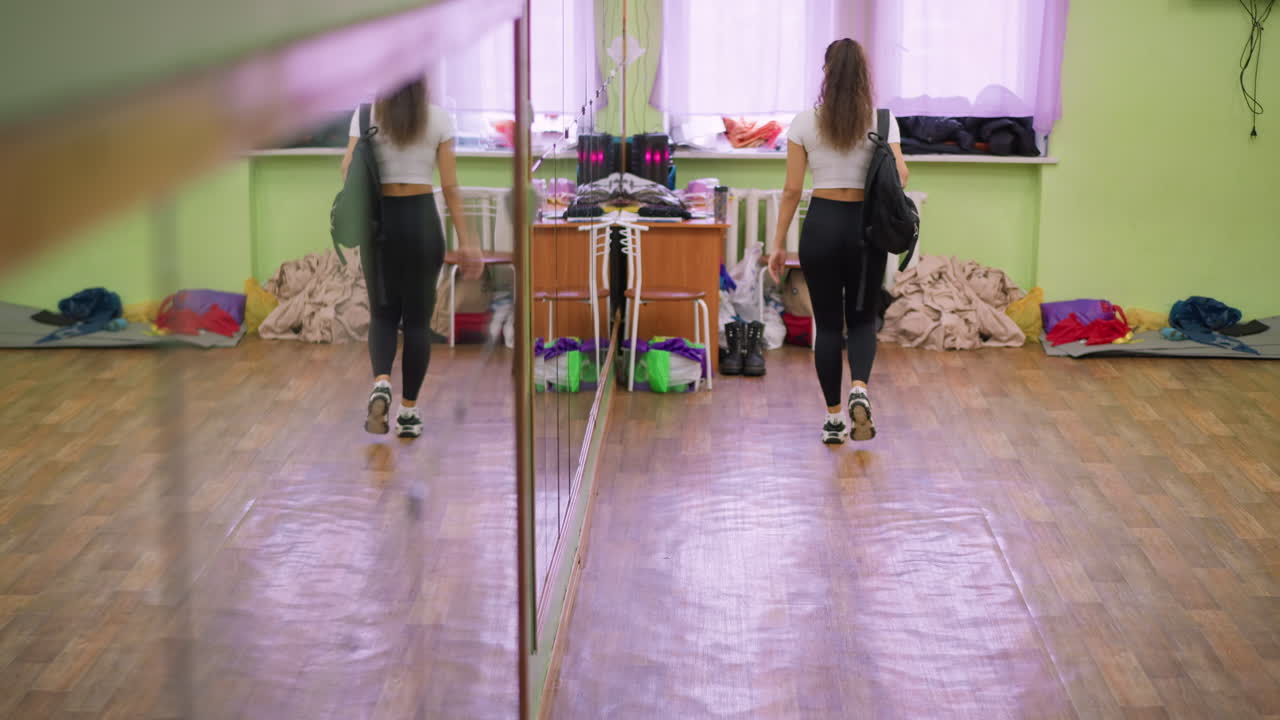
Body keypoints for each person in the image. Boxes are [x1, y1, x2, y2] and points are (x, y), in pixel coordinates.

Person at [767, 38, 909, 445]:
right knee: (862, 320)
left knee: (827, 326)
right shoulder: (883, 121)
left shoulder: (804, 122)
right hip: (866, 230)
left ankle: (832, 419)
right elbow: (900, 177)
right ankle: (859, 390)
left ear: (826, 73)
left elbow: (793, 190)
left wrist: (779, 243)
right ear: (864, 75)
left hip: (822, 226)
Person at [341, 78, 482, 438]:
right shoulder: (437, 119)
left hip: (381, 224)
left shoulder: (364, 115)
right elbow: (449, 187)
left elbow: (347, 170)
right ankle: (408, 412)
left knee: (382, 313)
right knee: (417, 321)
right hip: (421, 223)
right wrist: (468, 242)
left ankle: (381, 383)